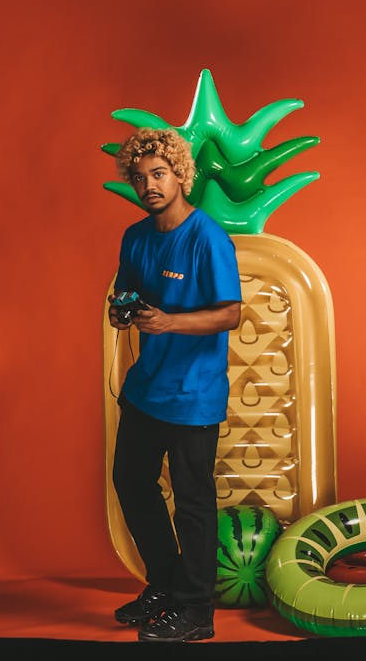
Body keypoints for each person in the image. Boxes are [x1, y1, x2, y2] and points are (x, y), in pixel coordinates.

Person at [108, 127, 242, 642]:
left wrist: (168, 323)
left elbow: (230, 313)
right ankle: (164, 585)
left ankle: (196, 612)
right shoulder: (136, 236)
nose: (149, 186)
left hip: (193, 393)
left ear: (179, 175)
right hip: (146, 388)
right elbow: (126, 292)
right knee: (132, 483)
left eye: (159, 174)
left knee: (192, 502)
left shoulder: (207, 237)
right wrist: (122, 313)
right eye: (139, 178)